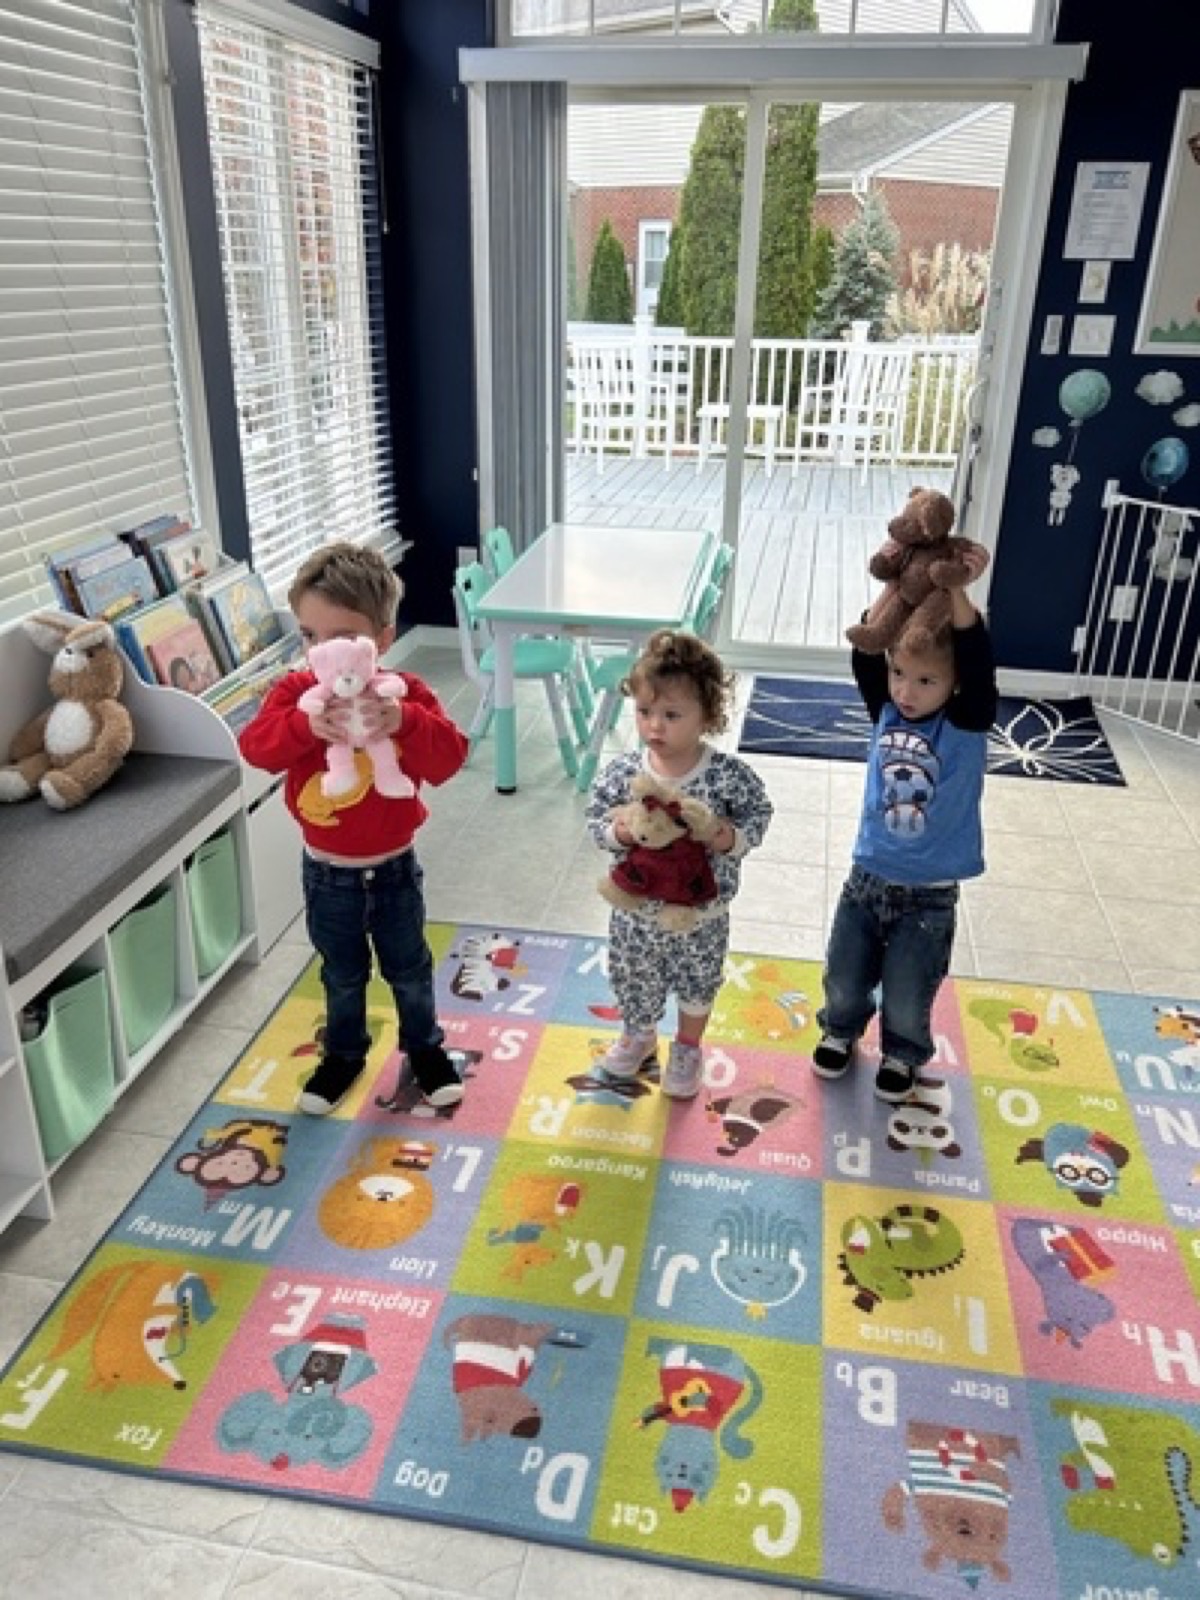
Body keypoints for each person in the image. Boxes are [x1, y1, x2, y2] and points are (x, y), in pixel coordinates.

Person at [239, 542, 469, 1115]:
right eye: (309, 636)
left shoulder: (404, 694)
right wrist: (304, 726)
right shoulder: (297, 694)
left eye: (339, 636)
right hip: (327, 875)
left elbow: (448, 760)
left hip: (394, 869)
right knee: (342, 975)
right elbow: (257, 750)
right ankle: (343, 1055)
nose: (322, 651)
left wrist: (406, 722)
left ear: (381, 640)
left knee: (409, 968)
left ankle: (425, 1049)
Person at [813, 541, 997, 1103]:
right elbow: (866, 653)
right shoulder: (886, 709)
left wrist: (958, 592)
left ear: (955, 684)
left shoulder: (965, 725)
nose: (905, 691)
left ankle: (902, 1052)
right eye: (900, 674)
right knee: (844, 974)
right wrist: (899, 583)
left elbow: (978, 657)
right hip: (867, 876)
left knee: (907, 990)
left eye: (924, 681)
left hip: (929, 893)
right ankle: (840, 1031)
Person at [586, 630, 773, 1100]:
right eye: (645, 712)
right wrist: (621, 833)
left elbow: (758, 814)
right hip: (636, 914)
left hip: (701, 915)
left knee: (698, 981)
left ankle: (688, 1047)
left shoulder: (728, 775)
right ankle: (639, 1034)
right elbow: (595, 821)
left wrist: (725, 836)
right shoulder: (625, 773)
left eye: (671, 715)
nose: (655, 726)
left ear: (706, 716)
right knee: (632, 977)